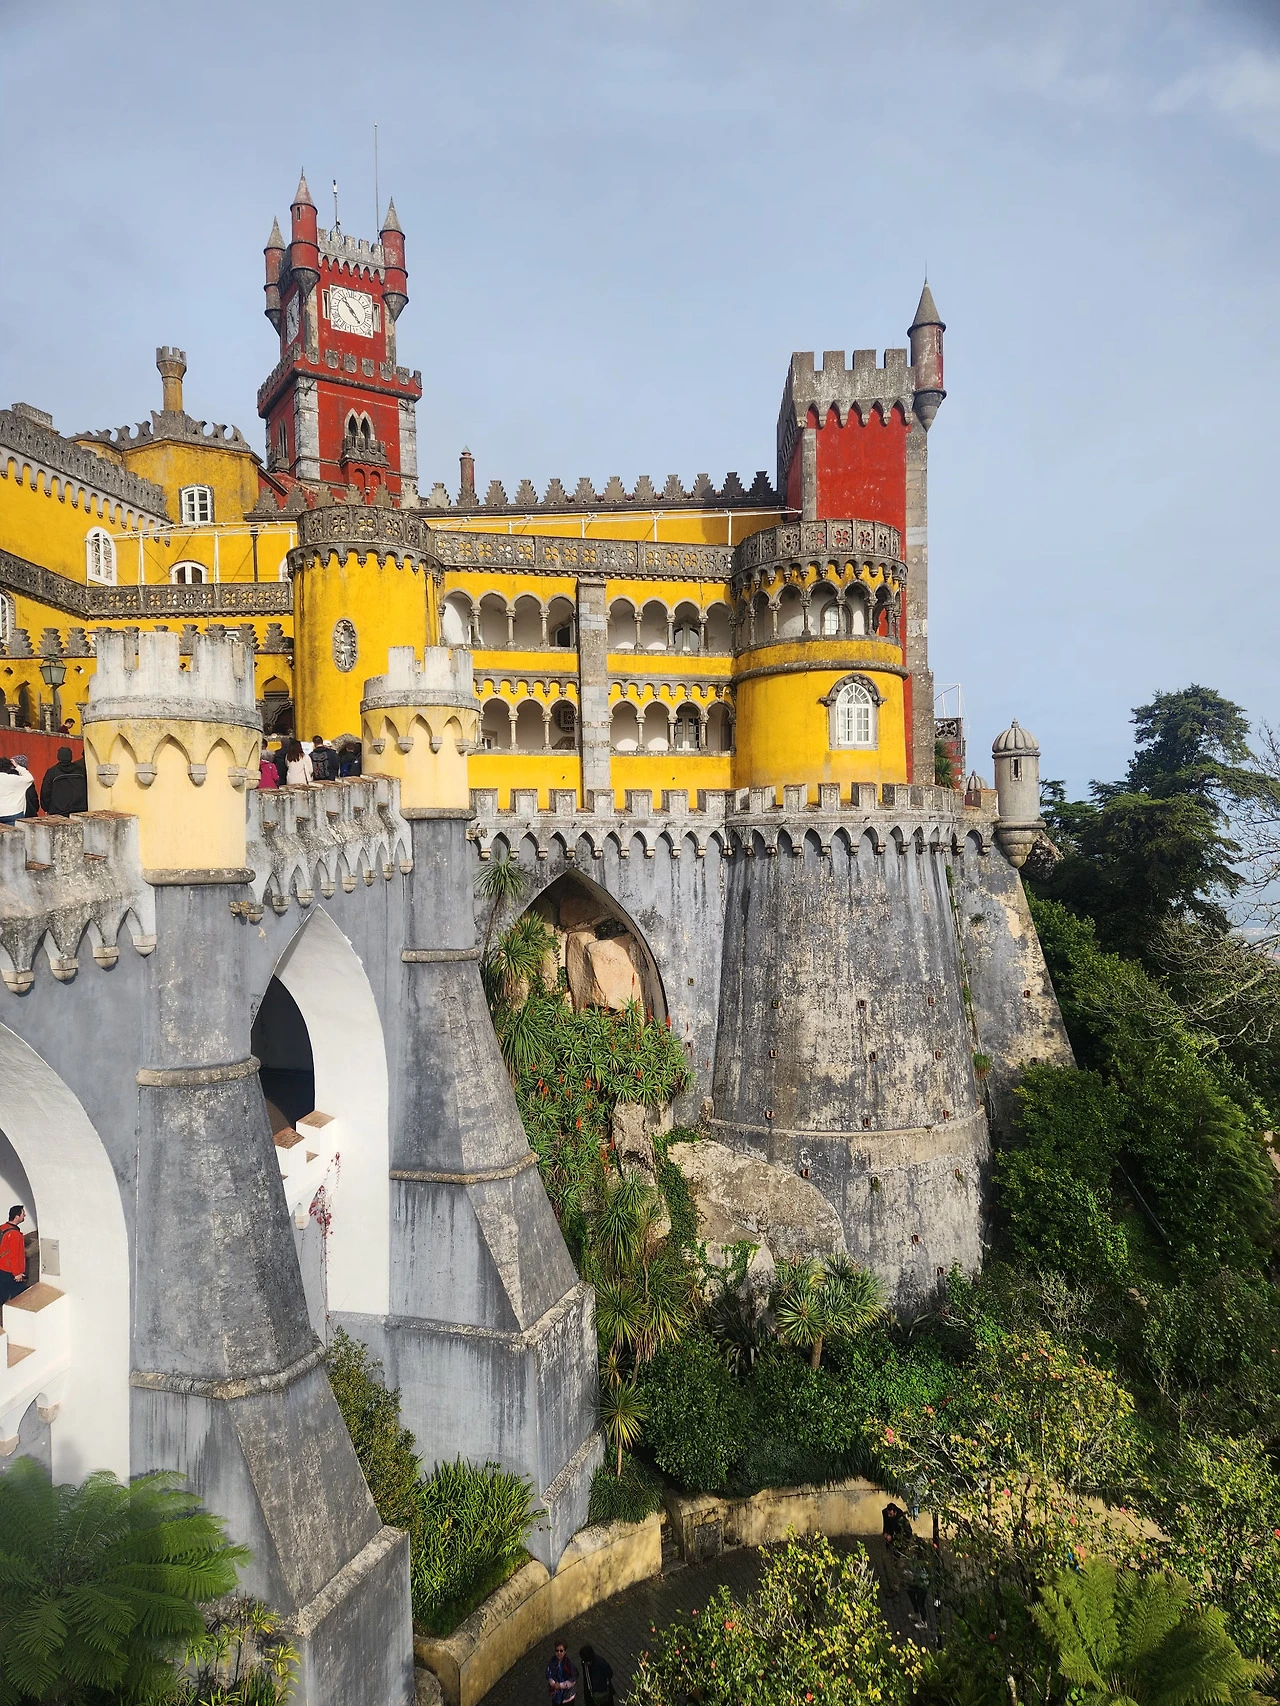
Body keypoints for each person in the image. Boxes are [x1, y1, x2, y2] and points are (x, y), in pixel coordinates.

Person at [40, 746, 88, 816]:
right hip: (79, 810)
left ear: (58, 757)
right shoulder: (81, 771)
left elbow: (46, 792)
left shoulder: (52, 772)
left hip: (58, 811)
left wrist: (46, 808)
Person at [0, 1204, 28, 1319]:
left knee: (2, 1294)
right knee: (19, 1295)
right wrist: (17, 1273)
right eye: (23, 1214)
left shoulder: (2, 1228)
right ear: (17, 1216)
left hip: (1, 1268)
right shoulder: (15, 1235)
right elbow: (14, 1256)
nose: (24, 1215)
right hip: (9, 1271)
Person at [0, 756, 33, 825]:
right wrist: (18, 766)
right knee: (15, 832)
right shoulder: (15, 779)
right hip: (14, 813)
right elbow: (30, 778)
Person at [12, 755, 38, 819]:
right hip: (29, 814)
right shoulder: (28, 781)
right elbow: (34, 799)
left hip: (14, 813)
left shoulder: (13, 780)